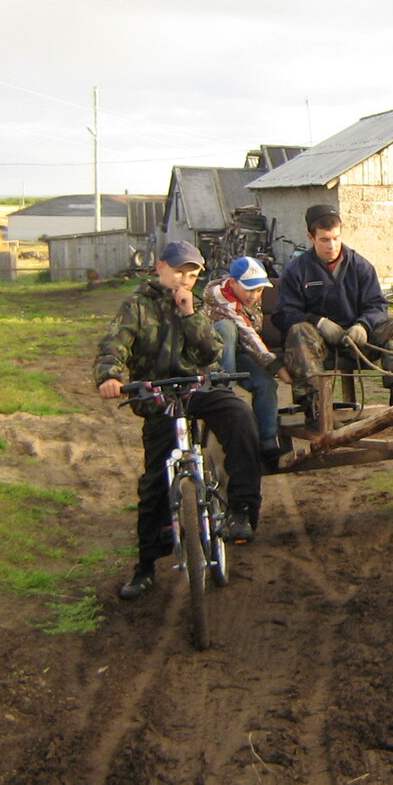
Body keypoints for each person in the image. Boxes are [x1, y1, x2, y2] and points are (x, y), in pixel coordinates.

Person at [94, 240, 262, 601]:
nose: (185, 278)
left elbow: (211, 352)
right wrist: (110, 376)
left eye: (193, 272)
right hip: (157, 397)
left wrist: (188, 315)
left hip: (197, 387)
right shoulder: (136, 306)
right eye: (179, 270)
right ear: (160, 268)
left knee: (240, 416)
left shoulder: (195, 303)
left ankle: (242, 509)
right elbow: (114, 344)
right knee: (154, 483)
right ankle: (145, 566)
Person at [272, 205, 393, 420]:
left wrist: (364, 325)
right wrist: (318, 322)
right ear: (311, 238)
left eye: (336, 238)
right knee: (298, 330)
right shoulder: (297, 271)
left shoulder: (360, 267)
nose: (332, 246)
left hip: (358, 343)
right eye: (324, 240)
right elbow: (283, 314)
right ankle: (315, 404)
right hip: (317, 349)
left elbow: (377, 305)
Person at [203, 256, 292, 459]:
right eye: (249, 289)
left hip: (241, 352)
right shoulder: (220, 297)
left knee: (266, 385)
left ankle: (267, 443)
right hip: (215, 355)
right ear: (233, 283)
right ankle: (226, 391)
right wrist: (276, 366)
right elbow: (247, 333)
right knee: (227, 328)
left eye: (259, 290)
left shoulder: (249, 299)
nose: (254, 296)